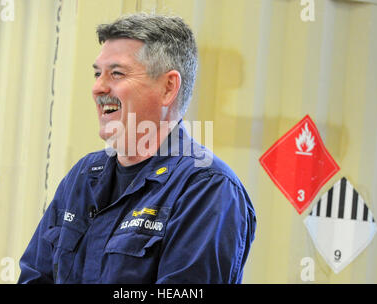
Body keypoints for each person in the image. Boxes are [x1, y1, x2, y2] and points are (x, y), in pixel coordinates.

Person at [18, 13, 256, 284]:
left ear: (168, 87)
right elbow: (34, 276)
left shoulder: (207, 189)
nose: (98, 87)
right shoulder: (83, 176)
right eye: (97, 73)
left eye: (116, 73)